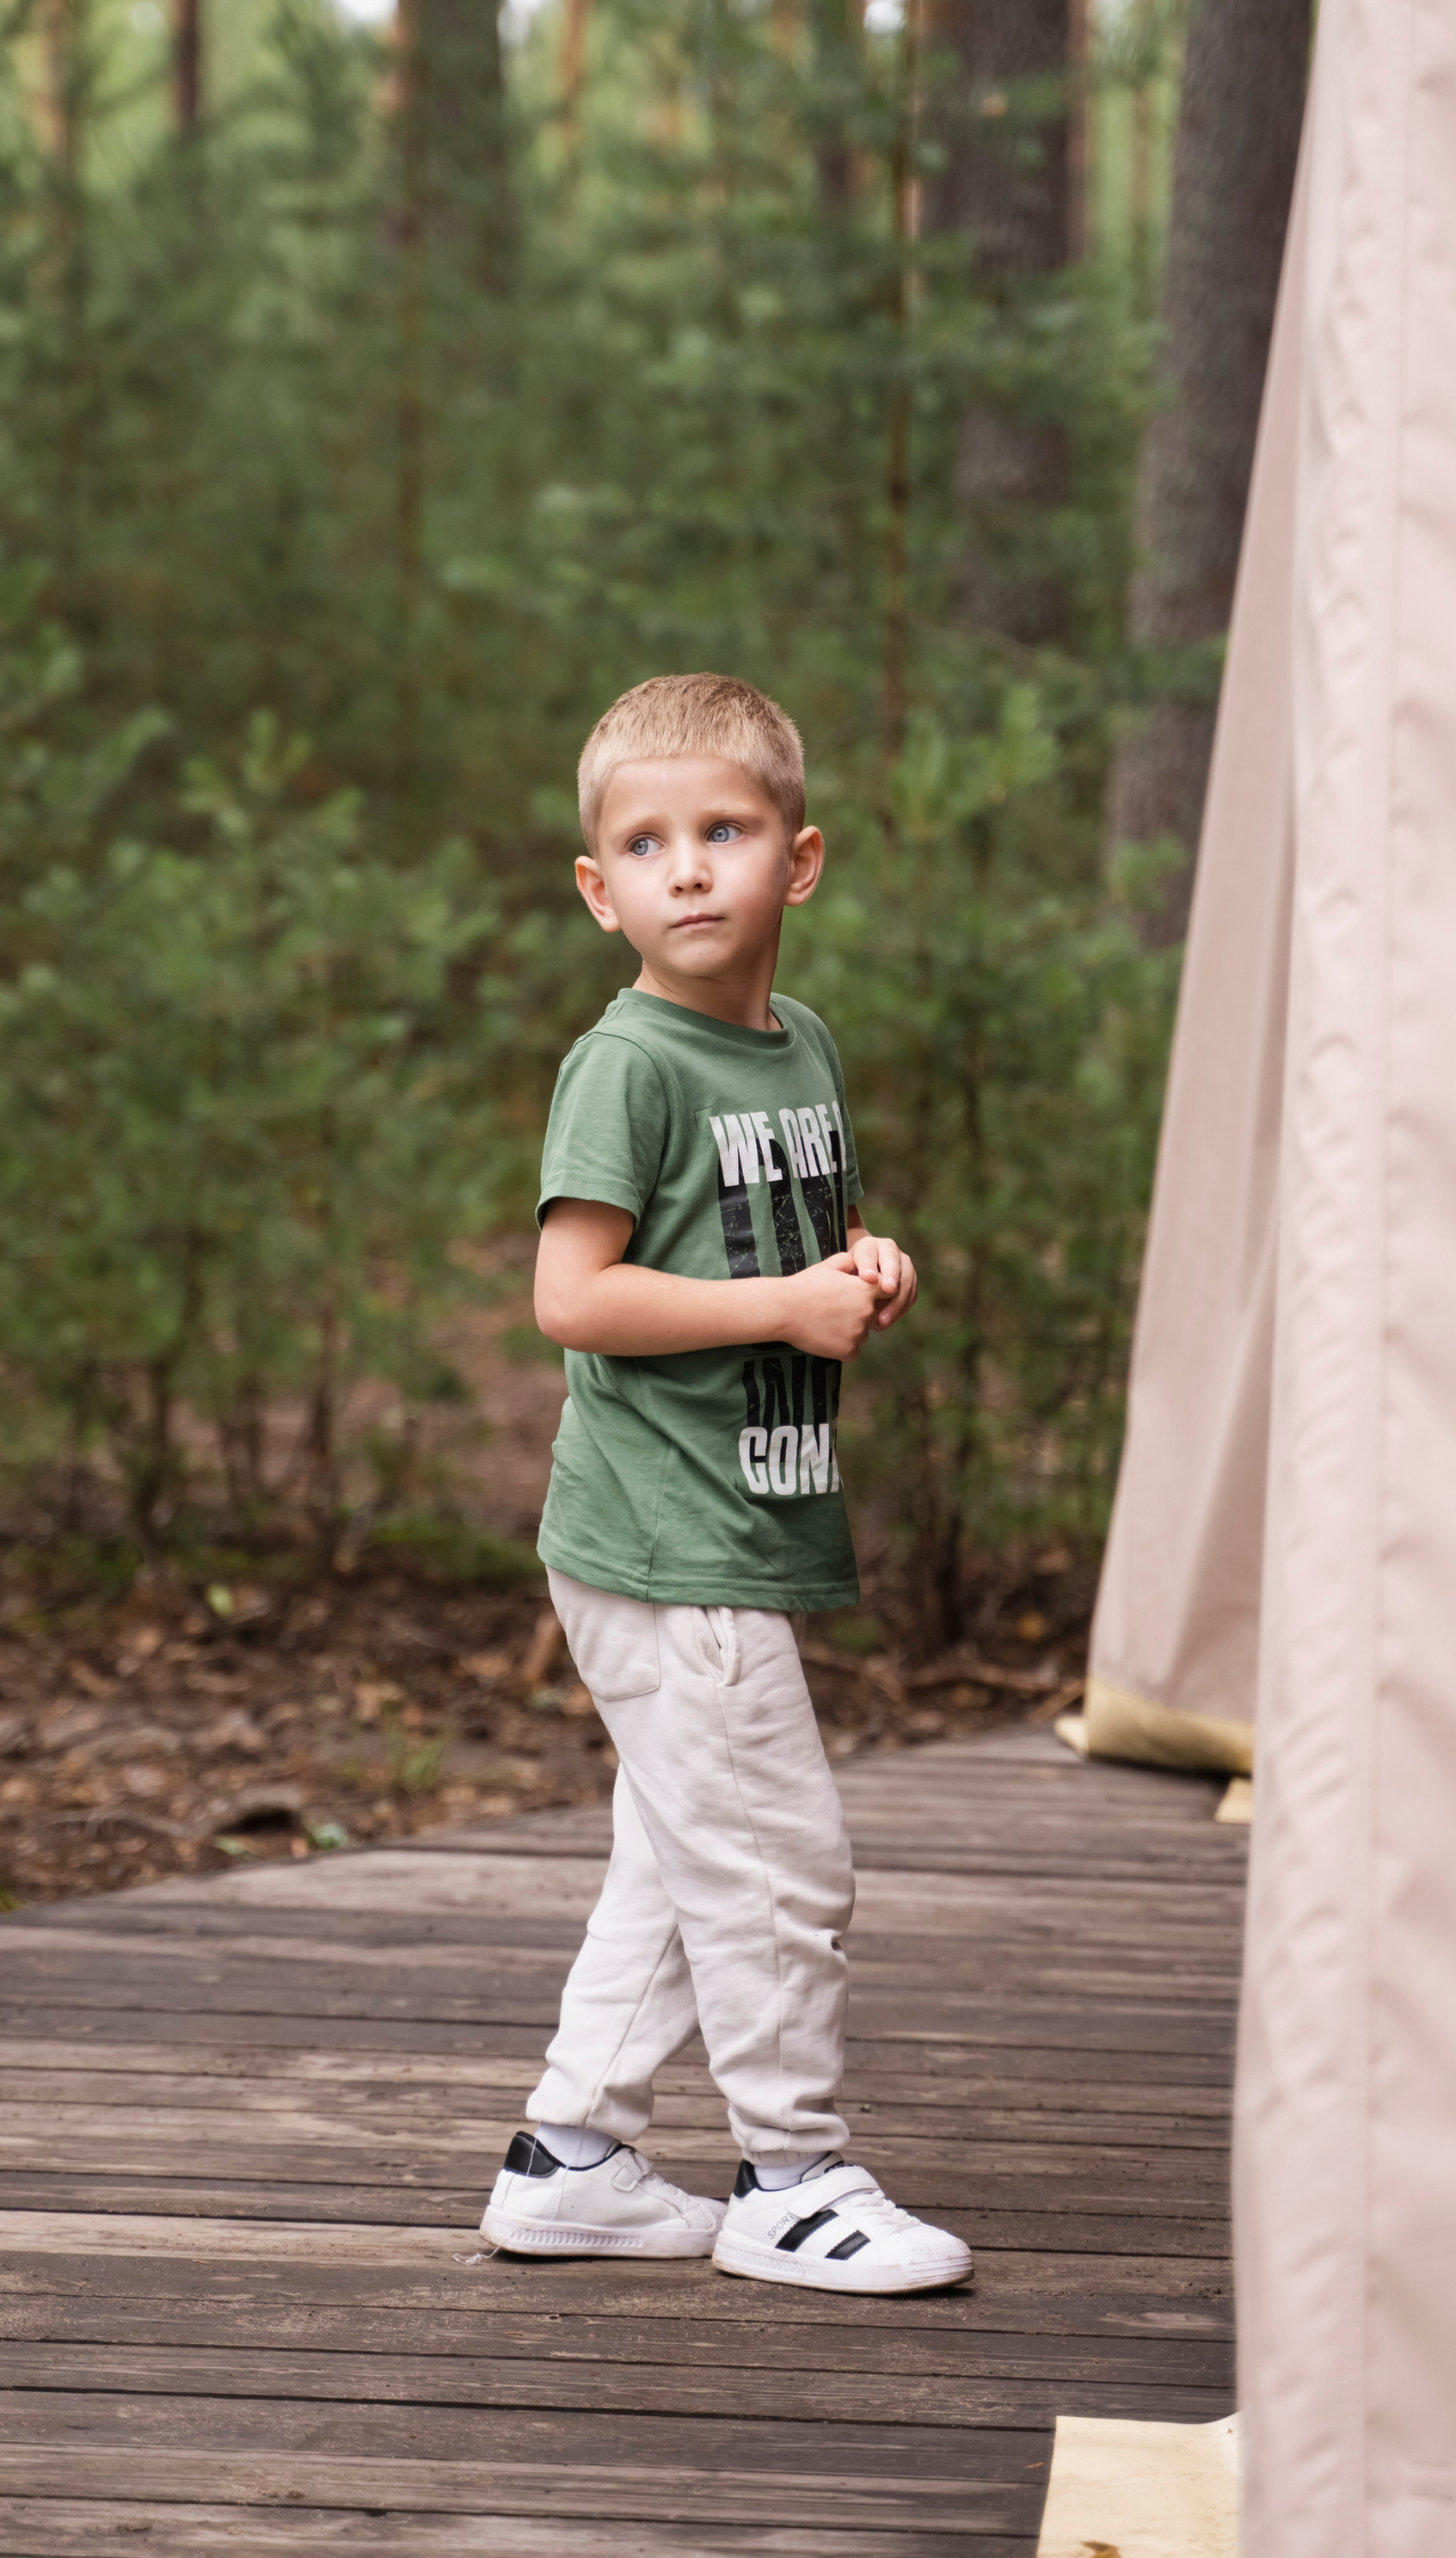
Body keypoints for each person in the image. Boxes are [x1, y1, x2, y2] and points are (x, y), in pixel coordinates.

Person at [479, 672, 972, 2295]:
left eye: (726, 832)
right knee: (774, 1861)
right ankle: (791, 2177)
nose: (687, 868)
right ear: (597, 888)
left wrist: (864, 1268)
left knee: (684, 1853)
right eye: (646, 843)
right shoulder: (628, 1065)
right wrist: (778, 1309)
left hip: (740, 1516)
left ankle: (573, 2160)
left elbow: (797, 1241)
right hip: (663, 1533)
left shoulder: (796, 1044)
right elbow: (573, 1298)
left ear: (798, 860)